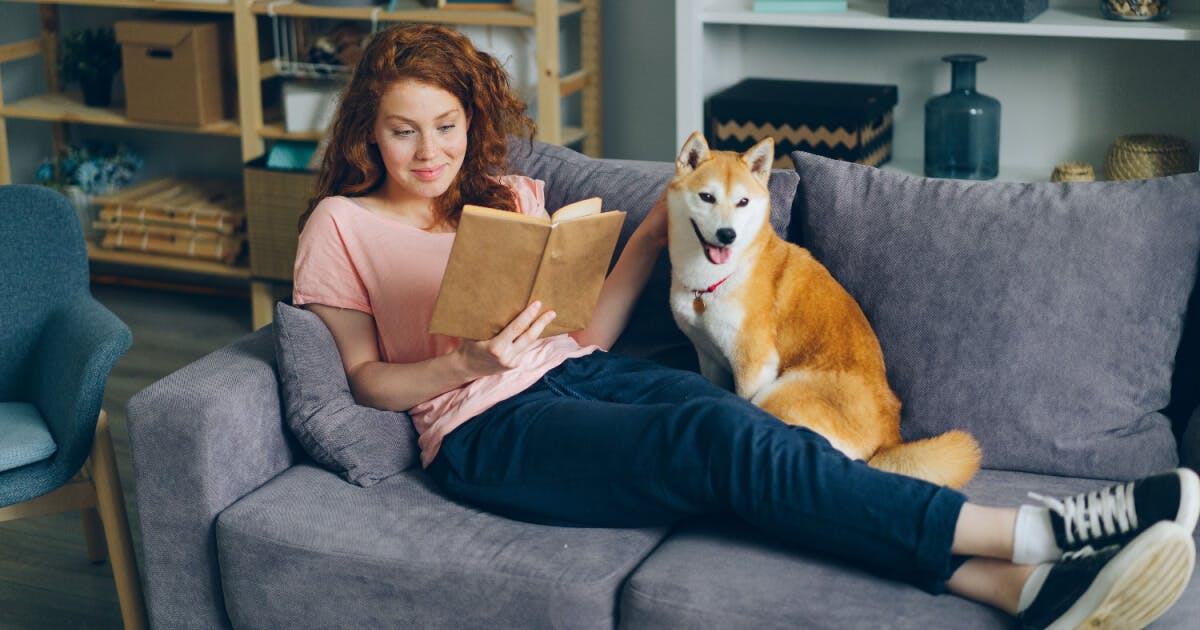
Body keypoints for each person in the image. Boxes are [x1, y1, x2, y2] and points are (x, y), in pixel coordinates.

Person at [293, 23, 1199, 629]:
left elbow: (584, 339)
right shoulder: (340, 224)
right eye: (404, 132)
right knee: (710, 427)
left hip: (572, 378)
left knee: (732, 426)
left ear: (471, 119)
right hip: (482, 431)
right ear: (369, 135)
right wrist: (472, 364)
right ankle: (1036, 532)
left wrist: (649, 234)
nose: (429, 152)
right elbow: (368, 381)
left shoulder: (510, 196)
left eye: (446, 126)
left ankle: (1015, 591)